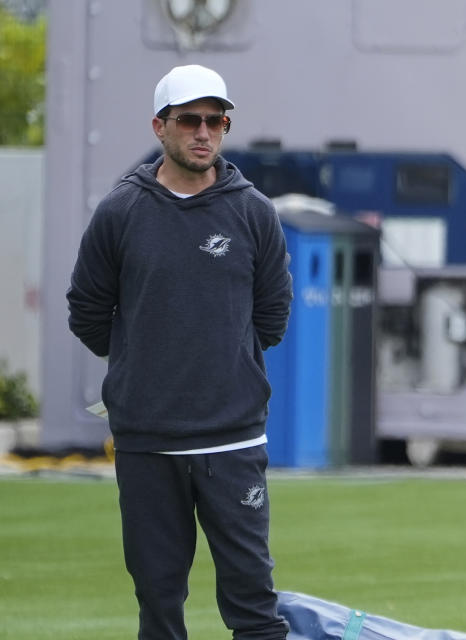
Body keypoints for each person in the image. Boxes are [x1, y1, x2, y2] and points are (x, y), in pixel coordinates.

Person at [66, 64, 292, 639]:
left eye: (215, 121)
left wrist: (222, 358)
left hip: (234, 437)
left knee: (254, 604)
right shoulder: (120, 212)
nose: (203, 132)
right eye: (189, 119)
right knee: (159, 601)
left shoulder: (255, 213)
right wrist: (142, 359)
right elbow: (88, 311)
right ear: (159, 127)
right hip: (147, 440)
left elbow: (271, 316)